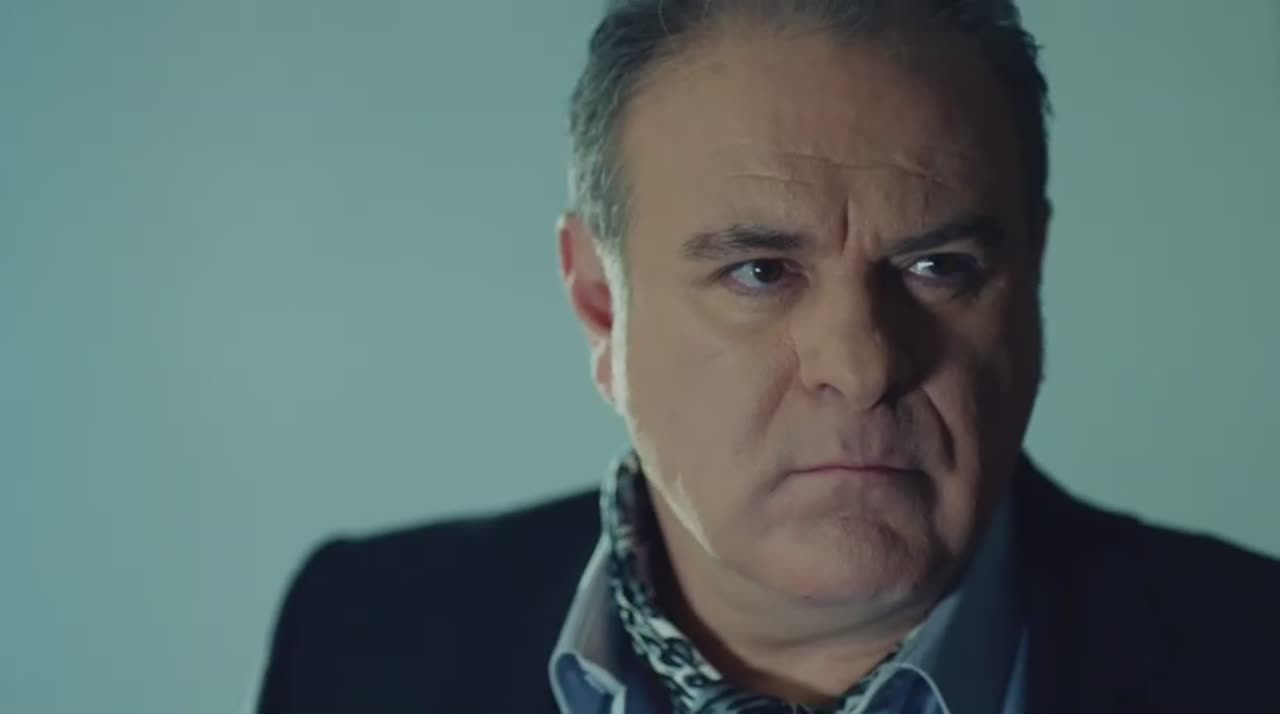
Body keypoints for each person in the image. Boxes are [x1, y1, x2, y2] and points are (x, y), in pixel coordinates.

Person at [255, 1, 1280, 712]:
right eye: (759, 272)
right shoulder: (357, 638)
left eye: (937, 266)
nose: (863, 367)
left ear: (1031, 277)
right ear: (601, 307)